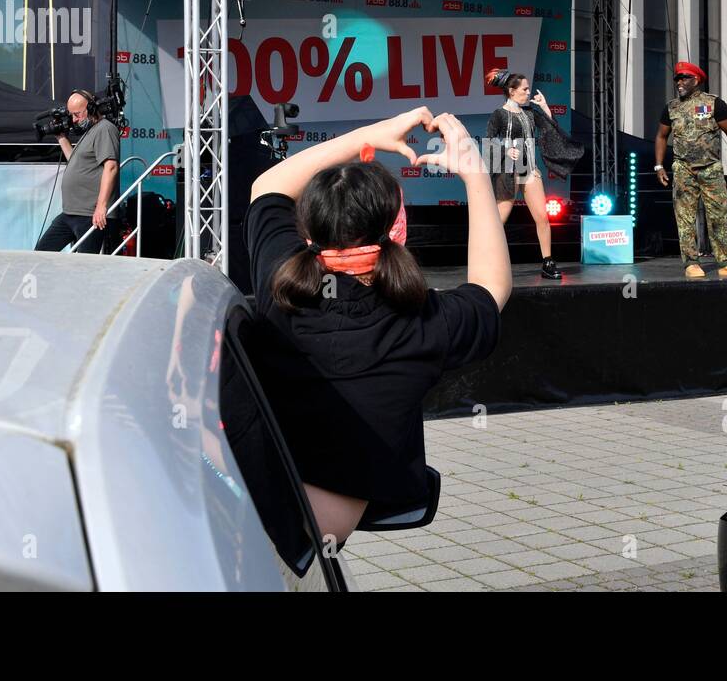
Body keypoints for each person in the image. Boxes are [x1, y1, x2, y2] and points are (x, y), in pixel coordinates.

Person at [245, 107, 511, 547]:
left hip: (243, 507)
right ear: (395, 230)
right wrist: (476, 175)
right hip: (302, 540)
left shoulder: (280, 289)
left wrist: (368, 133)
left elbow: (267, 187)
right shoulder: (423, 324)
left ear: (308, 231)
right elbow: (491, 286)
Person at [484, 69, 584, 280]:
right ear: (512, 91)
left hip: (529, 169)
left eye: (528, 88)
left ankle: (547, 262)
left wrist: (545, 106)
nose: (528, 92)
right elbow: (488, 142)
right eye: (525, 89)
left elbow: (551, 128)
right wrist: (505, 150)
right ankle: (487, 263)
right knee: (498, 222)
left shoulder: (529, 112)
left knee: (543, 218)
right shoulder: (499, 115)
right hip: (508, 170)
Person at [654, 62, 727, 279]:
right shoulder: (671, 107)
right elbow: (661, 136)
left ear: (696, 80)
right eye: (677, 79)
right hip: (683, 168)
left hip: (711, 168)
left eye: (684, 78)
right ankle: (691, 263)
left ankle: (726, 261)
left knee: (719, 215)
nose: (679, 82)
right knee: (685, 217)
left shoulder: (714, 103)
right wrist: (659, 165)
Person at [35, 89, 120, 254]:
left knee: (84, 265)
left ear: (91, 109)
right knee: (41, 253)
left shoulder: (105, 129)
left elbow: (111, 167)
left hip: (90, 214)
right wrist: (61, 137)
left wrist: (101, 207)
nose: (74, 120)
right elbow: (74, 160)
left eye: (77, 114)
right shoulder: (90, 131)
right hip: (70, 213)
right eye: (72, 115)